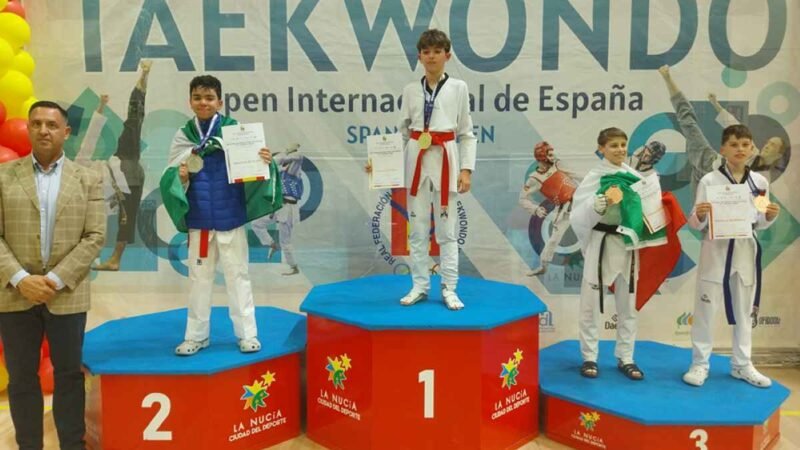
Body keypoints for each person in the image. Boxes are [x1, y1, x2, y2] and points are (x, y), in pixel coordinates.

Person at [0, 101, 106, 450]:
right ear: (28, 129)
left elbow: (95, 237)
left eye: (51, 124)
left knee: (69, 377)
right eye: (36, 123)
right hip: (14, 294)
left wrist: (55, 281)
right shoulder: (3, 176)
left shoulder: (88, 178)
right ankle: (29, 444)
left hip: (67, 294)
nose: (43, 130)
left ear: (66, 132)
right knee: (21, 379)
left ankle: (71, 445)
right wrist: (20, 278)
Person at [159, 75, 282, 356]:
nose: (204, 103)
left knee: (238, 276)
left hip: (231, 218)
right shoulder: (183, 135)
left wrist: (265, 161)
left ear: (220, 102)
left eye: (209, 98)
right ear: (190, 101)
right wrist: (179, 177)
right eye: (198, 97)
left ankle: (247, 334)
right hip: (200, 221)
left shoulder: (236, 131)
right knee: (199, 279)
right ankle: (196, 336)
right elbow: (170, 178)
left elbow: (255, 174)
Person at [682, 124, 780, 388]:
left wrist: (769, 216)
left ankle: (742, 364)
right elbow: (694, 222)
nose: (740, 149)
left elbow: (759, 220)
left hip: (745, 249)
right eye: (734, 144)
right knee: (705, 309)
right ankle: (700, 364)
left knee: (745, 310)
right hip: (716, 249)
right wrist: (700, 215)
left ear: (751, 149)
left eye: (745, 145)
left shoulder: (759, 182)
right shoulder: (709, 181)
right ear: (723, 149)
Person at [570, 127, 667, 381]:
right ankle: (589, 356)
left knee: (628, 305)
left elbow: (646, 211)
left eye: (623, 144)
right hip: (601, 243)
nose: (620, 149)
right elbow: (577, 215)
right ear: (601, 148)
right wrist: (596, 205)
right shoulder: (595, 176)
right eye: (613, 145)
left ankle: (626, 357)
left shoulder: (634, 176)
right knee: (590, 303)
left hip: (627, 245)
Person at [396, 29, 477, 310]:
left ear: (447, 55)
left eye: (437, 51)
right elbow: (404, 133)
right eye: (426, 52)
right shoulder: (409, 90)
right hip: (416, 160)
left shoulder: (459, 88)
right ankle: (419, 285)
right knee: (417, 230)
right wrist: (385, 165)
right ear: (419, 56)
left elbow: (466, 132)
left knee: (447, 230)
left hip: (446, 160)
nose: (431, 57)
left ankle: (449, 287)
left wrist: (466, 170)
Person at [90, 60, 152, 271]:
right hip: (117, 177)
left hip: (128, 173)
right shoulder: (90, 158)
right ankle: (104, 257)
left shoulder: (128, 140)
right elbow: (92, 134)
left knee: (127, 216)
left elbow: (136, 113)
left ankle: (115, 259)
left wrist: (143, 77)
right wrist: (101, 106)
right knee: (104, 216)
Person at [658, 65, 725, 195]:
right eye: (734, 145)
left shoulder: (758, 176)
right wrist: (715, 104)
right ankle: (667, 78)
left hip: (724, 183)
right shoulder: (706, 159)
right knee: (688, 122)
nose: (740, 149)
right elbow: (731, 124)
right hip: (709, 163)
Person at [519, 141, 579, 276]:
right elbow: (522, 199)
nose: (553, 156)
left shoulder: (558, 164)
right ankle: (543, 266)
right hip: (564, 208)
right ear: (542, 156)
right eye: (550, 154)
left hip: (579, 198)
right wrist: (535, 209)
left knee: (593, 229)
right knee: (554, 239)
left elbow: (575, 174)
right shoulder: (535, 178)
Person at [708, 93, 787, 181]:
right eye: (768, 142)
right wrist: (715, 103)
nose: (767, 146)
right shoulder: (751, 150)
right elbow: (733, 124)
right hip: (711, 167)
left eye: (773, 145)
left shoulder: (764, 178)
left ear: (778, 155)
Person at [251, 143, 304, 276]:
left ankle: (294, 266)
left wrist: (286, 151)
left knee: (285, 242)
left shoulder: (293, 171)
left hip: (289, 208)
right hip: (277, 208)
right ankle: (271, 243)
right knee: (256, 224)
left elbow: (299, 156)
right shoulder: (277, 174)